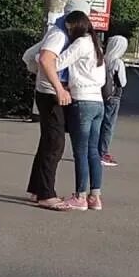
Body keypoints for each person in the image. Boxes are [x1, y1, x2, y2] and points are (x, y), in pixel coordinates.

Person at [25, 0, 91, 210]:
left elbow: (32, 56)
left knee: (48, 141)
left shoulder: (60, 30)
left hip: (47, 92)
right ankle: (46, 194)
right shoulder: (59, 33)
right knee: (55, 143)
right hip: (50, 94)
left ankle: (37, 189)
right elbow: (45, 59)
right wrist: (59, 88)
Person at [47, 11, 106, 211]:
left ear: (76, 26)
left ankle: (80, 196)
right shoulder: (97, 45)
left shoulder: (80, 43)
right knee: (93, 152)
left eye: (70, 27)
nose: (68, 30)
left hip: (82, 102)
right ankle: (95, 197)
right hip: (98, 102)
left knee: (80, 152)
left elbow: (57, 63)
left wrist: (41, 56)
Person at [99, 35, 128, 167]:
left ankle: (95, 151)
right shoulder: (118, 62)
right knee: (108, 126)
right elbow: (122, 82)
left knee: (99, 125)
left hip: (100, 95)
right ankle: (103, 153)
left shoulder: (103, 59)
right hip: (114, 97)